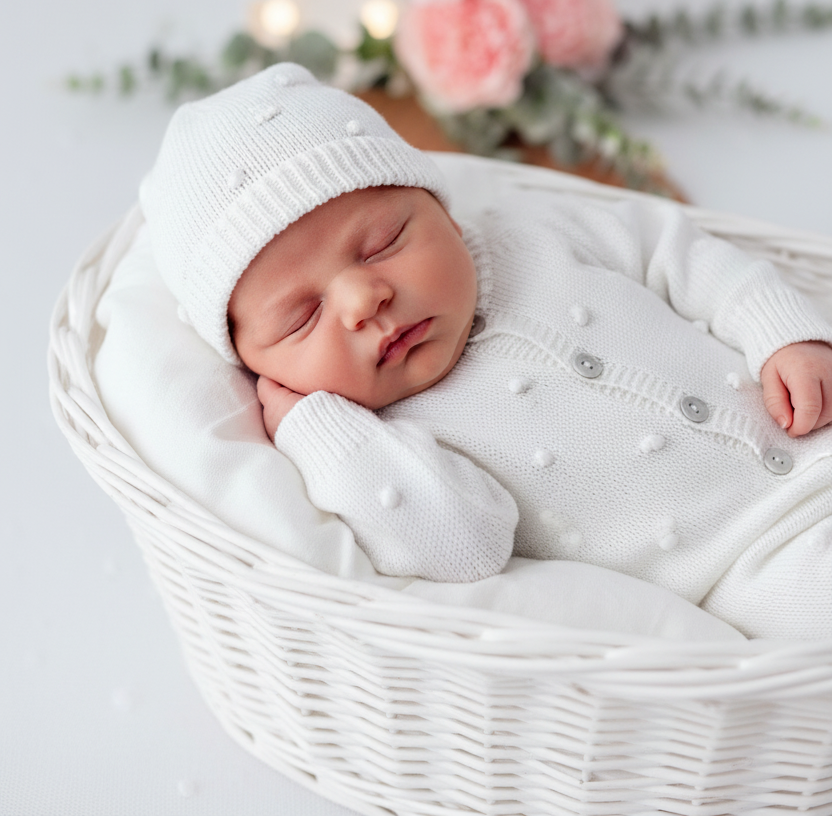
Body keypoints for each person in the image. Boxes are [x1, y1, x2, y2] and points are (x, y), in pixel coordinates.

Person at [141, 64, 832, 639]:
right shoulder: (393, 441)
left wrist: (781, 331)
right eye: (301, 317)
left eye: (383, 242)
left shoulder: (529, 233)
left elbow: (674, 249)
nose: (362, 301)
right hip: (757, 564)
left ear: (441, 210)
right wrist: (315, 429)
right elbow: (463, 548)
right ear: (258, 368)